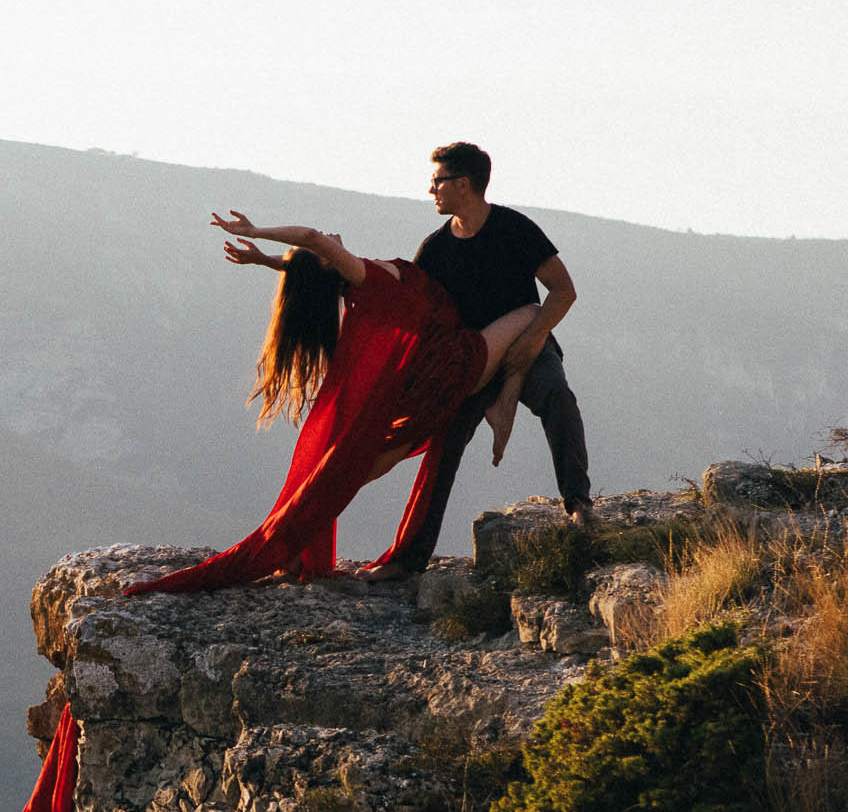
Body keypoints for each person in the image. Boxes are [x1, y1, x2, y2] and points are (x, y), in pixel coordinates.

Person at [124, 212, 538, 596]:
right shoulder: (355, 274)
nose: (329, 239)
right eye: (323, 249)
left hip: (426, 380)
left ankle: (293, 537)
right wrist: (256, 233)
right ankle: (505, 400)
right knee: (532, 311)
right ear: (325, 260)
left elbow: (311, 270)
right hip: (454, 362)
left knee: (350, 470)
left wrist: (268, 261)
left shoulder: (347, 280)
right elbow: (308, 239)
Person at [358, 142, 592, 581]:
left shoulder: (515, 229)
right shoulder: (436, 249)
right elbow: (417, 310)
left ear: (463, 185)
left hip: (528, 344)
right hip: (471, 362)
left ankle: (578, 505)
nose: (431, 191)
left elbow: (563, 290)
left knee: (558, 399)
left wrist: (536, 335)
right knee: (444, 446)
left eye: (437, 182)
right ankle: (408, 559)